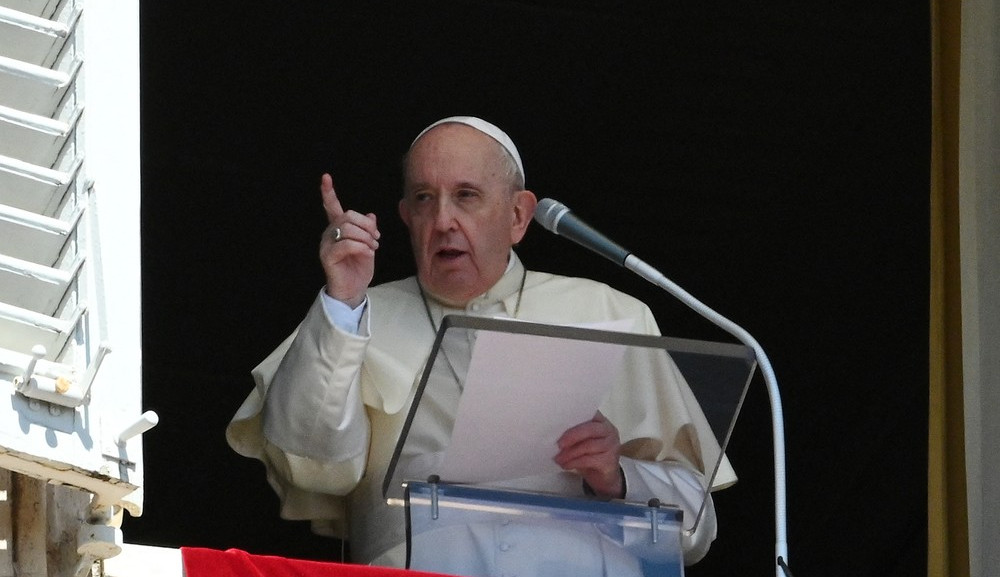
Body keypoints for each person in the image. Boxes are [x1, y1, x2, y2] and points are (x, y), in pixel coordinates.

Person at [226, 116, 735, 574]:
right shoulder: (358, 315)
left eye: (466, 195)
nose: (443, 219)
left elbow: (696, 527)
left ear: (518, 216)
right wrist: (342, 302)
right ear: (405, 216)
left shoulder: (609, 313)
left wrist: (616, 477)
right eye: (424, 198)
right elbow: (311, 465)